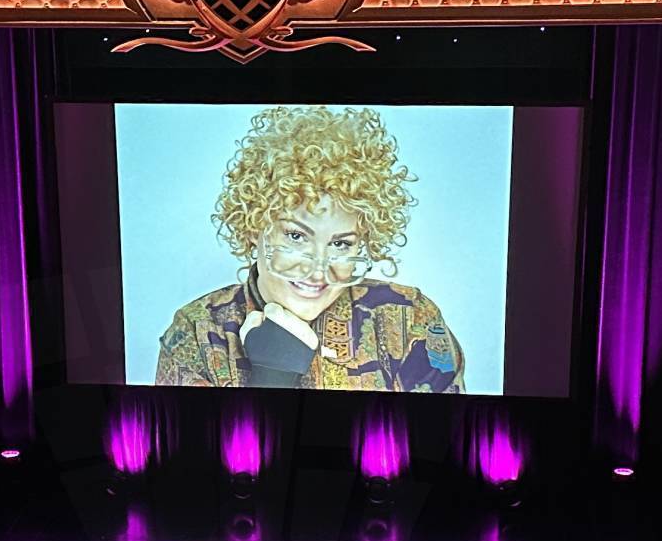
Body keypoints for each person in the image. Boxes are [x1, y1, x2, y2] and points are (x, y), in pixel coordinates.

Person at [155, 105, 464, 390]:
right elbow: (193, 447)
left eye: (341, 243)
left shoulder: (410, 320)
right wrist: (273, 376)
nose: (317, 269)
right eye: (296, 236)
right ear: (253, 226)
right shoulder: (198, 331)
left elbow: (440, 442)